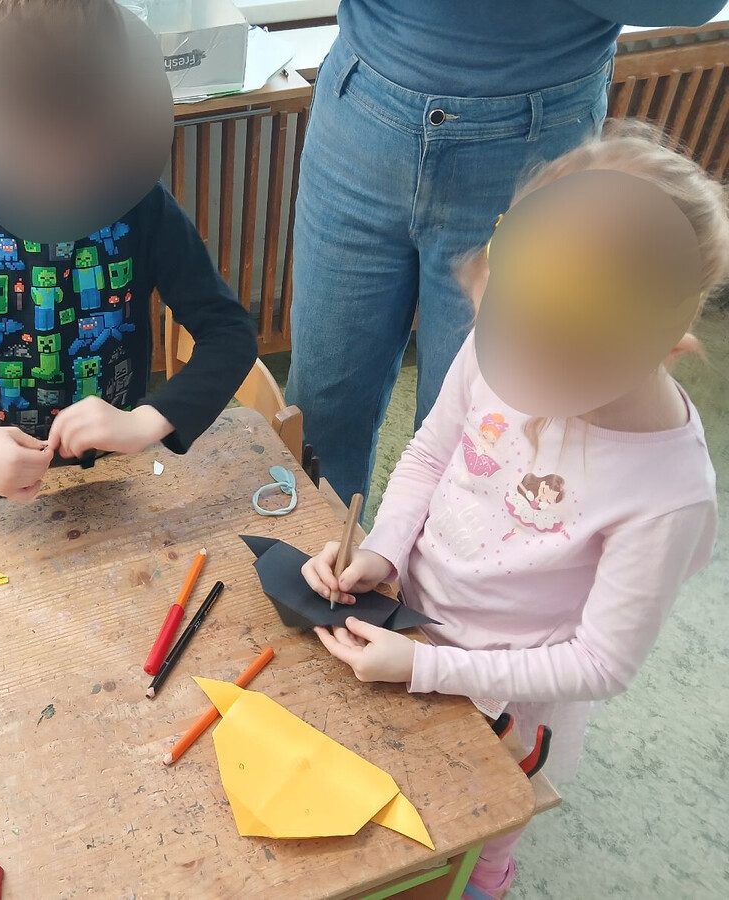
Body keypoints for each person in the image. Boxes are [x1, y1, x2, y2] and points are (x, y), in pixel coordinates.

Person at [299, 125, 727, 898]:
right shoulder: (518, 323)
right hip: (411, 624)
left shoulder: (669, 492)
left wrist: (428, 668)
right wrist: (383, 550)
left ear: (667, 344)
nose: (515, 374)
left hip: (508, 701)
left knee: (474, 838)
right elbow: (431, 453)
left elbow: (602, 663)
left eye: (553, 363)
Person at [288, 0, 724, 510]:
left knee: (486, 437)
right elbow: (420, 453)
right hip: (362, 105)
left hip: (532, 134)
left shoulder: (673, 496)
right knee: (321, 408)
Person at [0, 0, 256, 501]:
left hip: (121, 473)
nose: (60, 178)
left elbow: (229, 334)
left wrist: (143, 423)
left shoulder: (142, 207)